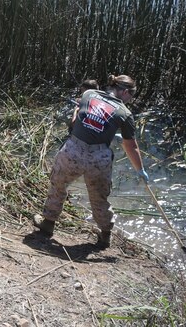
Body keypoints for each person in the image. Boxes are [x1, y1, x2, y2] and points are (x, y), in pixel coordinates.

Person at [35, 74, 149, 249]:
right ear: (125, 92)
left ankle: (48, 224)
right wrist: (140, 169)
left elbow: (75, 122)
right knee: (99, 198)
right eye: (131, 96)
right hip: (98, 158)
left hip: (73, 150)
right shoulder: (125, 113)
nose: (130, 100)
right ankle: (105, 237)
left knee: (58, 185)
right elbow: (131, 146)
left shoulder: (89, 94)